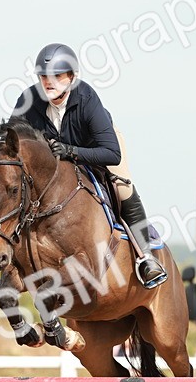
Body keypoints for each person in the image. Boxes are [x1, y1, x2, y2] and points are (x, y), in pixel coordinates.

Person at [12, 42, 167, 288]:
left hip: (97, 149)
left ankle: (146, 257)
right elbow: (14, 142)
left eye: (57, 76)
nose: (48, 82)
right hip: (57, 167)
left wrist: (71, 151)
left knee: (122, 187)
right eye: (43, 77)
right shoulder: (29, 100)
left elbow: (111, 153)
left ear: (72, 77)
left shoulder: (86, 98)